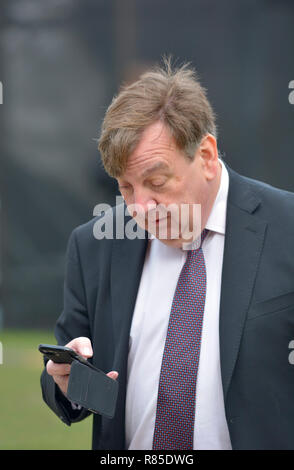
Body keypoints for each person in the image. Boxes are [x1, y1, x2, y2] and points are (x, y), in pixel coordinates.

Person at [41, 59, 294, 450]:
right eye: (126, 188)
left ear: (207, 156)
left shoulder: (287, 227)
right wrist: (67, 381)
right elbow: (71, 373)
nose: (141, 207)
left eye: (156, 182)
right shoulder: (93, 245)